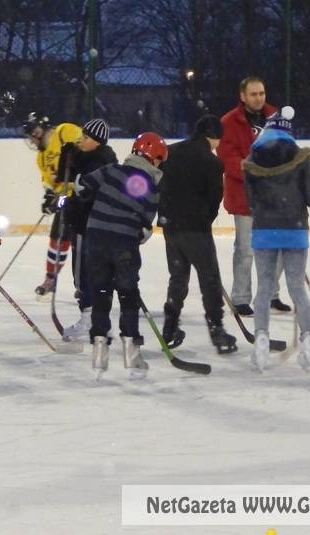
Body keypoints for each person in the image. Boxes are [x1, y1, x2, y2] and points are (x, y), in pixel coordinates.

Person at [76, 132, 166, 378]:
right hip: (124, 245)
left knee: (101, 294)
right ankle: (131, 353)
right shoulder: (151, 188)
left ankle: (99, 353)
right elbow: (145, 229)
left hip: (95, 240)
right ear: (155, 159)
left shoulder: (111, 170)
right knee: (128, 295)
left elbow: (82, 185)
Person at [242, 106, 310, 373]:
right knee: (297, 288)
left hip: (264, 231)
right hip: (294, 231)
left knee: (264, 288)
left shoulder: (253, 159)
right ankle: (308, 341)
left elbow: (250, 200)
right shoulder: (301, 158)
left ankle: (261, 341)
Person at [157, 114, 237, 354]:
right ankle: (217, 330)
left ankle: (170, 327)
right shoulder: (212, 162)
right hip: (196, 229)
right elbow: (214, 199)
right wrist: (203, 221)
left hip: (171, 226)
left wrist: (167, 214)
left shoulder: (170, 152)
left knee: (178, 277)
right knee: (209, 278)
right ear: (213, 137)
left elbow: (159, 185)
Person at [217, 76, 291, 317]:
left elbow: (287, 149)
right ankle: (240, 298)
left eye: (261, 93)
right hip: (245, 196)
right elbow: (227, 158)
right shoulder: (229, 122)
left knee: (277, 247)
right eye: (254, 94)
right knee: (245, 249)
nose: (259, 98)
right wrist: (252, 170)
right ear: (243, 96)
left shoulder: (276, 118)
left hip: (273, 196)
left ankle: (271, 294)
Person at [60, 118, 118, 342]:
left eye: (85, 138)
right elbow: (68, 178)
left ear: (97, 142)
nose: (81, 140)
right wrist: (67, 157)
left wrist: (68, 207)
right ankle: (101, 322)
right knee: (98, 275)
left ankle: (89, 319)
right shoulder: (91, 158)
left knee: (84, 273)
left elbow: (84, 195)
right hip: (98, 228)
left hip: (88, 227)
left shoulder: (98, 164)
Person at [21, 112, 83, 300]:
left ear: (42, 128)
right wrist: (49, 199)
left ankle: (84, 284)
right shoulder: (41, 157)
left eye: (33, 133)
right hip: (65, 199)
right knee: (57, 238)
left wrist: (75, 154)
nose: (32, 139)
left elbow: (86, 147)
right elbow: (50, 183)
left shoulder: (64, 132)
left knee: (82, 243)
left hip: (84, 196)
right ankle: (50, 278)